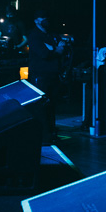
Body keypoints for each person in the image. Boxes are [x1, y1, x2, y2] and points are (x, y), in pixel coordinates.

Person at [27, 10, 67, 141]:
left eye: (46, 17)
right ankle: (43, 134)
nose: (45, 20)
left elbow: (60, 45)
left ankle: (51, 131)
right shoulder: (34, 35)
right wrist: (57, 50)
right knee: (41, 105)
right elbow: (44, 53)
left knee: (52, 104)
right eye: (42, 18)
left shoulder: (51, 35)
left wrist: (56, 49)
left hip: (53, 74)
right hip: (40, 75)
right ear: (36, 21)